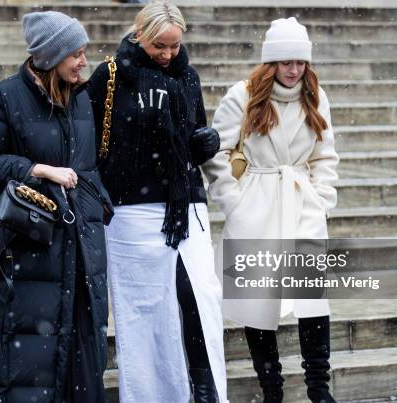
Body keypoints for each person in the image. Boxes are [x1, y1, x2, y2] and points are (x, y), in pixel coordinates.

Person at [0, 11, 112, 403]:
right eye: (75, 54)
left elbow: (87, 167)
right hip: (27, 254)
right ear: (49, 57)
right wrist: (36, 169)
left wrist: (97, 203)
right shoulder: (4, 97)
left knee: (81, 366)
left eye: (84, 52)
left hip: (80, 253)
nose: (84, 61)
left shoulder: (81, 99)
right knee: (25, 371)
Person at [86, 1, 227, 402]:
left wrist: (205, 143)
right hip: (131, 211)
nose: (167, 55)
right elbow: (94, 143)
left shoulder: (188, 77)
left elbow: (195, 134)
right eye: (158, 46)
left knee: (200, 300)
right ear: (140, 35)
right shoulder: (109, 77)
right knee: (143, 313)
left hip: (185, 206)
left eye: (174, 46)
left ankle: (205, 391)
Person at [203, 17, 340, 403]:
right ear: (270, 62)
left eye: (300, 61)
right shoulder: (242, 96)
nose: (294, 70)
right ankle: (272, 390)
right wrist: (234, 202)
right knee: (258, 302)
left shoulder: (316, 95)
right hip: (256, 206)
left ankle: (318, 388)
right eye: (285, 62)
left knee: (312, 297)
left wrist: (321, 196)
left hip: (302, 204)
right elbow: (218, 153)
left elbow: (325, 154)